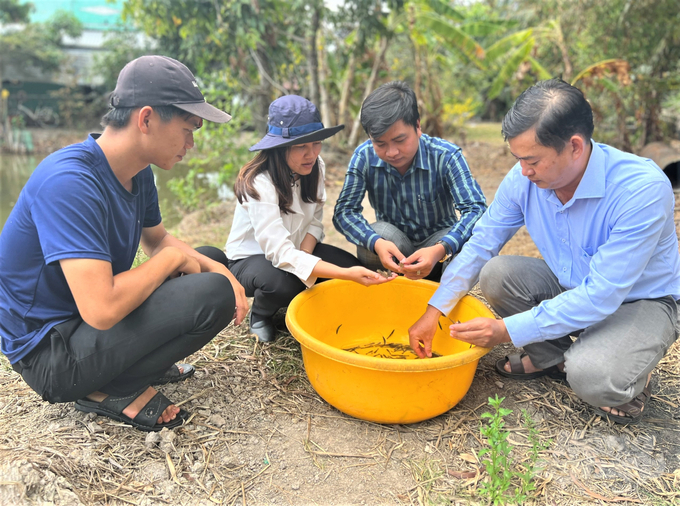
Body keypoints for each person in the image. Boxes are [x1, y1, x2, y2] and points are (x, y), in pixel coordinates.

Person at [409, 78, 680, 425]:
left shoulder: (640, 189)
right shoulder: (525, 178)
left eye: (532, 160)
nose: (523, 171)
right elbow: (482, 243)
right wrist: (435, 310)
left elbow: (602, 296)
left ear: (575, 147)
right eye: (518, 158)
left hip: (639, 302)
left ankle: (623, 376)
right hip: (574, 286)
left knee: (592, 376)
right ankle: (555, 357)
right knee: (497, 273)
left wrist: (506, 331)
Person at [0, 55, 249, 432]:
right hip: (51, 352)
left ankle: (131, 363)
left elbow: (158, 238)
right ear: (146, 119)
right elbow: (101, 308)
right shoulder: (70, 183)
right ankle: (109, 388)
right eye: (187, 129)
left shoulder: (138, 172)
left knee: (212, 262)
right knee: (209, 291)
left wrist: (217, 268)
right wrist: (170, 261)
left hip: (83, 321)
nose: (192, 144)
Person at [201, 95, 394, 343]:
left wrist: (305, 258)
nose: (311, 154)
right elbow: (279, 253)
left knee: (349, 268)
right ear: (279, 147)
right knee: (283, 283)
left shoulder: (315, 167)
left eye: (316, 144)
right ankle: (261, 313)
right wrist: (315, 270)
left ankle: (302, 297)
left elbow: (314, 222)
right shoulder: (260, 183)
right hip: (251, 260)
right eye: (301, 146)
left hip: (296, 247)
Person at [332, 81, 486, 282]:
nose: (392, 152)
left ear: (418, 126)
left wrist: (441, 248)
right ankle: (396, 284)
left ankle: (444, 287)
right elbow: (344, 212)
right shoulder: (364, 157)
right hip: (395, 251)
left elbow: (476, 210)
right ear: (371, 138)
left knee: (470, 245)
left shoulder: (446, 156)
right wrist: (376, 243)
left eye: (400, 140)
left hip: (440, 252)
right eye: (380, 144)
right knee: (373, 236)